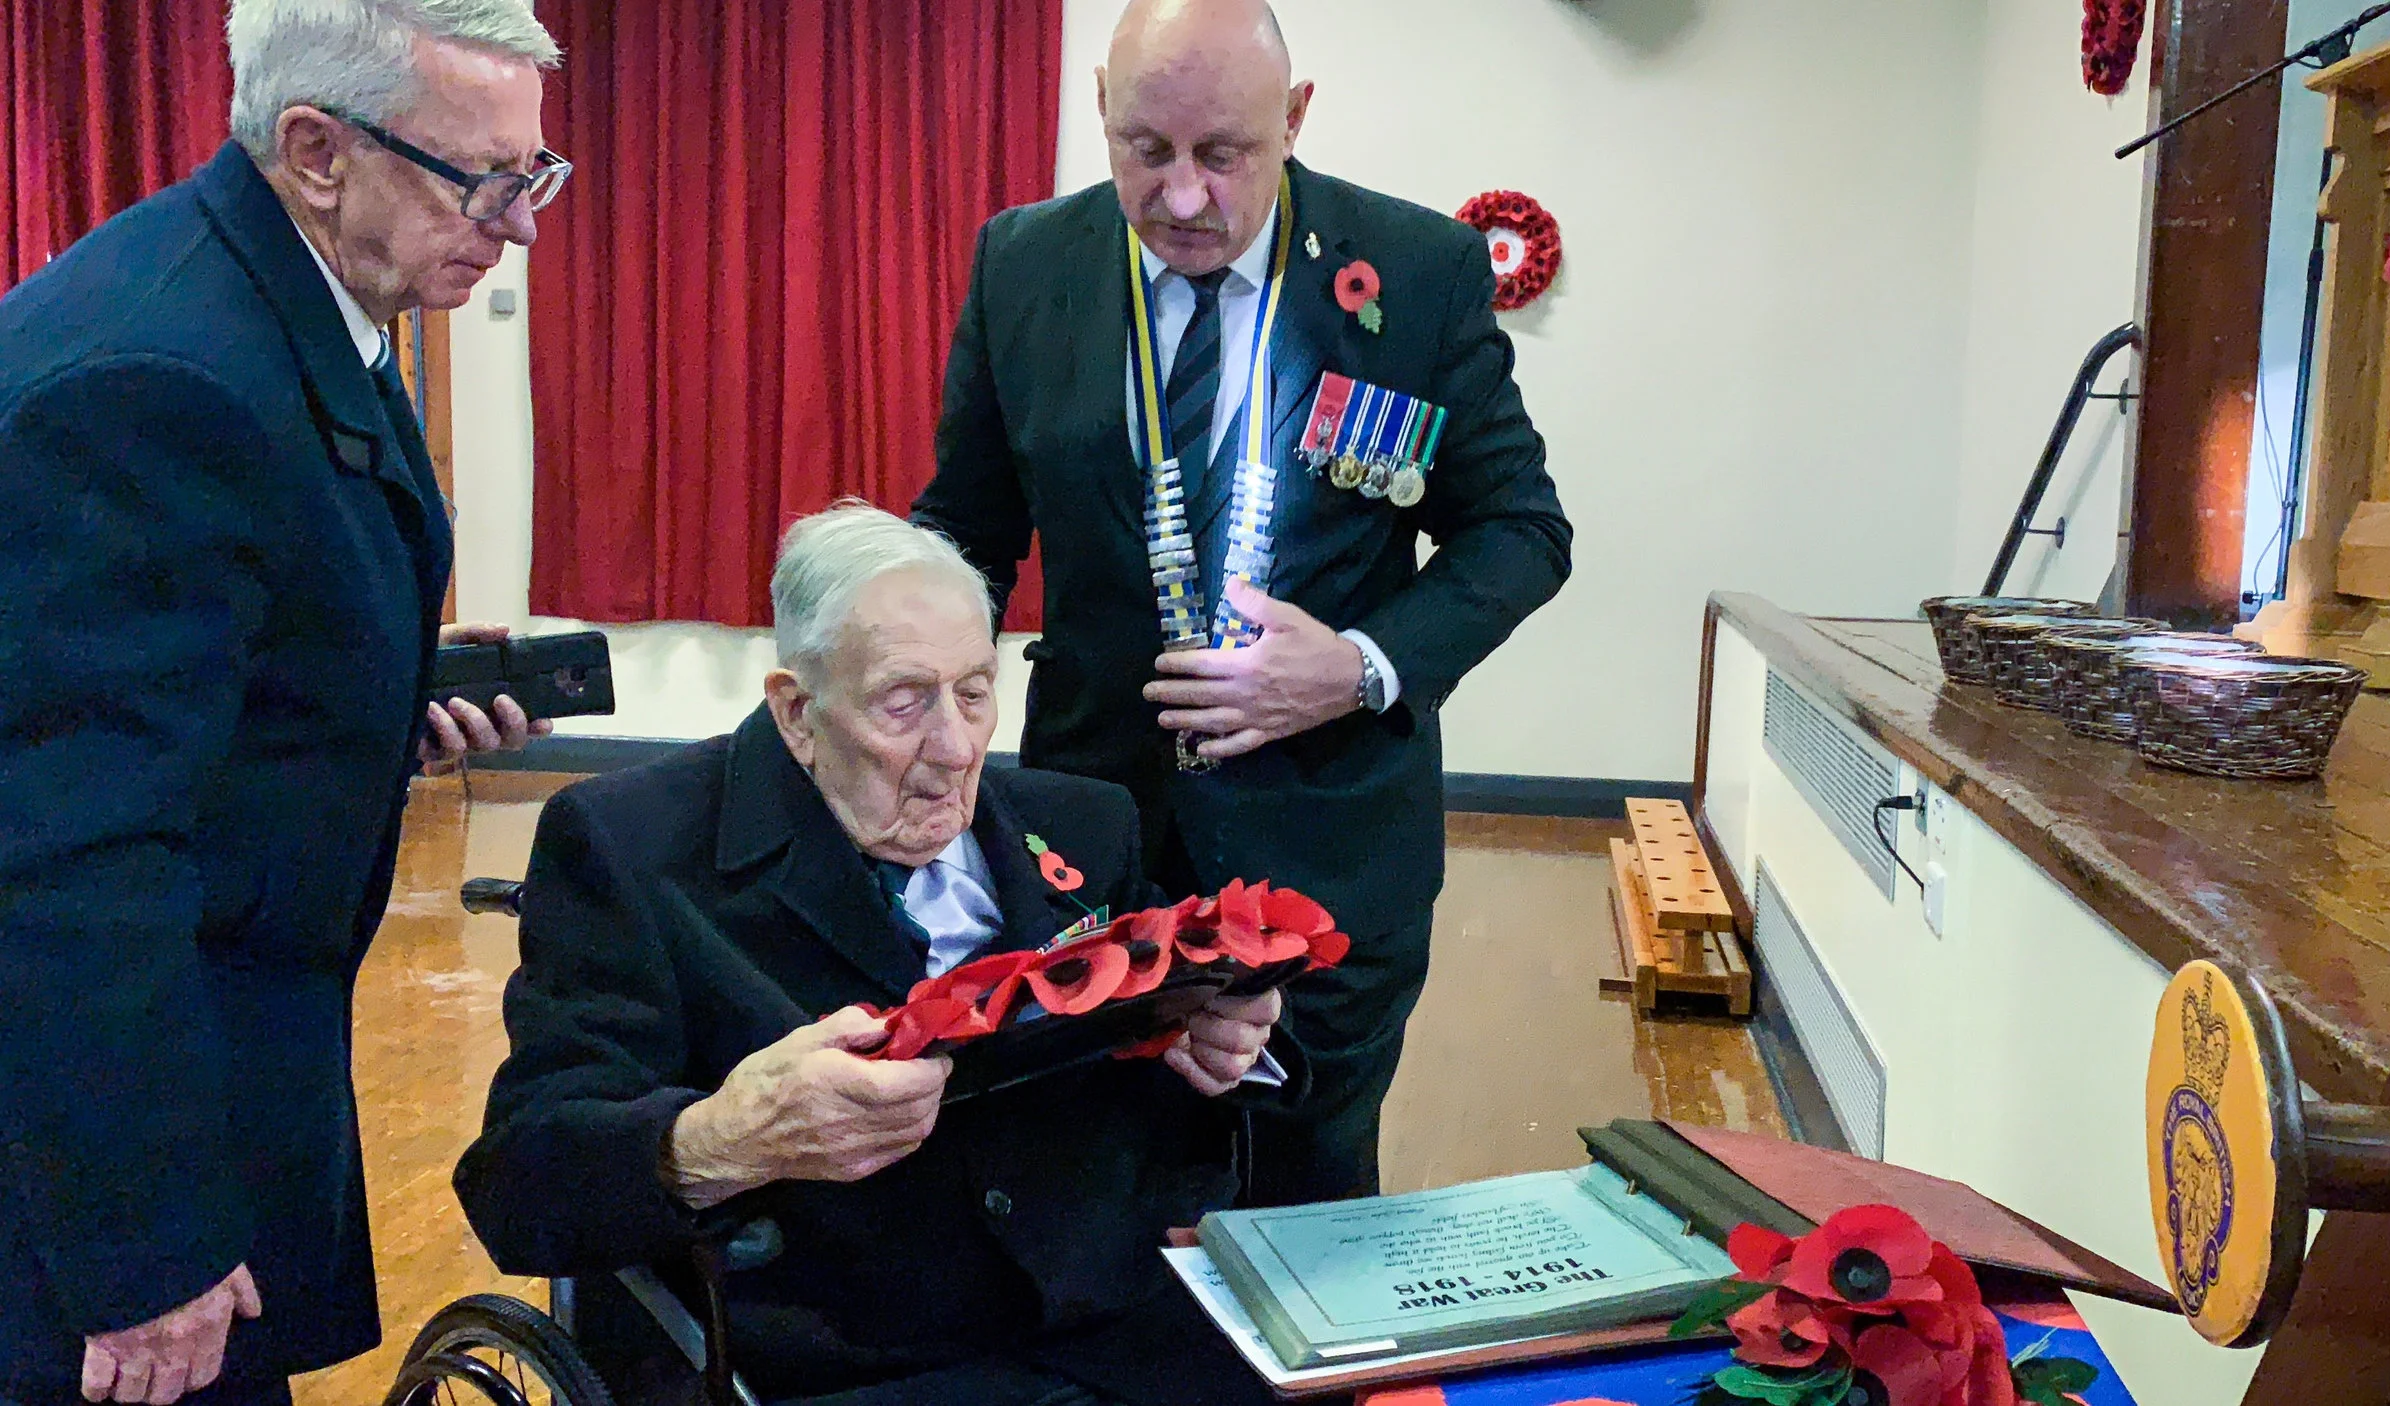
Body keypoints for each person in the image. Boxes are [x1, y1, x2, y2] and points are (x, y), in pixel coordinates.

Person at [914, 0, 1571, 1206]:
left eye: (1222, 155)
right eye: (1144, 152)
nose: (1178, 198)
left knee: (1304, 1190)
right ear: (1100, 117)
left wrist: (1362, 662)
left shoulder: (1415, 275)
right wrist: (901, 669)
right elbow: (966, 528)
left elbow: (1520, 531)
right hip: (1094, 834)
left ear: (1295, 120)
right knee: (1093, 1182)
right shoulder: (1025, 264)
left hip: (1330, 845)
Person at [0, 2, 564, 1400]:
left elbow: (206, 676)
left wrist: (370, 704)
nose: (521, 224)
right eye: (486, 180)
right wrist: (149, 1250)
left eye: (534, 174)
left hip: (220, 1068)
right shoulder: (158, 377)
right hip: (105, 1170)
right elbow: (68, 854)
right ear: (316, 149)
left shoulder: (292, 304)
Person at [456, 505, 1299, 1406]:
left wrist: (1219, 1053)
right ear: (797, 713)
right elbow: (520, 1181)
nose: (956, 747)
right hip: (842, 1366)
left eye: (975, 693)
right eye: (905, 702)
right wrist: (724, 1139)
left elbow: (1166, 1116)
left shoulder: (1088, 824)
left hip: (1111, 1343)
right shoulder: (632, 848)